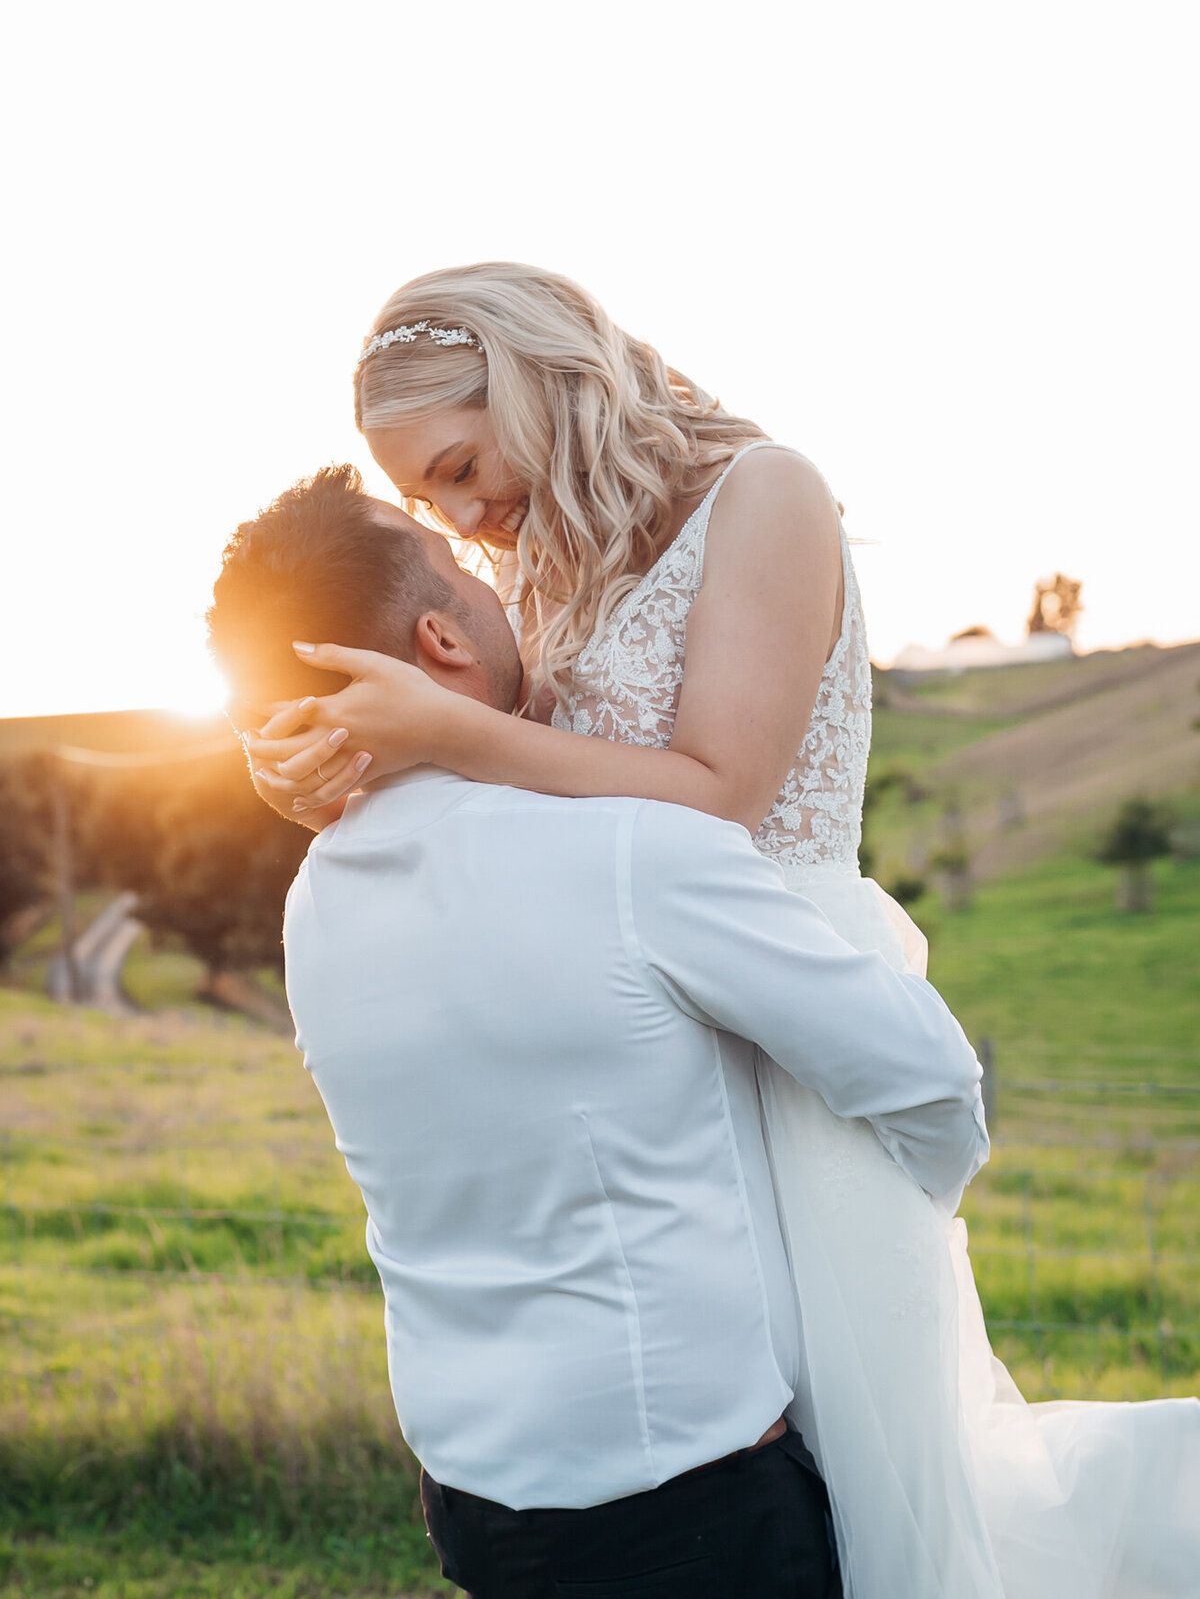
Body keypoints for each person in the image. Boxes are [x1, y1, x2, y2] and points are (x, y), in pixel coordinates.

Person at [245, 266, 1200, 1596]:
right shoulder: (541, 565)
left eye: (463, 464)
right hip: (655, 1036)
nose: (466, 517)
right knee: (733, 1461)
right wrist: (329, 761)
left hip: (797, 1018)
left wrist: (454, 728)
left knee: (879, 1471)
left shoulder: (769, 495)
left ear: (533, 373)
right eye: (429, 502)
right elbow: (525, 817)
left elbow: (720, 794)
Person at [207, 465, 993, 1599]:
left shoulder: (317, 903)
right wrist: (861, 1233)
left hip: (475, 1502)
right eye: (467, 572)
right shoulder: (632, 854)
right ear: (440, 639)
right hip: (691, 1510)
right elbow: (931, 1086)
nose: (498, 583)